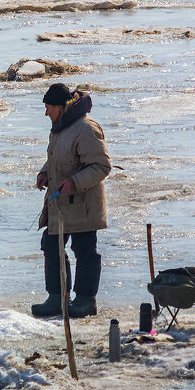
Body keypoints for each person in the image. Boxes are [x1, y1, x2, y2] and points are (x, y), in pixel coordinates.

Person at [32, 83, 111, 319]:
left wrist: (74, 182)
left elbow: (101, 166)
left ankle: (86, 301)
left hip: (83, 204)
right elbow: (58, 158)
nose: (46, 113)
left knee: (84, 250)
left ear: (59, 106)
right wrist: (45, 172)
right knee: (51, 245)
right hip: (60, 203)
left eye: (48, 108)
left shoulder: (86, 129)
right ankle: (57, 297)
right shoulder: (59, 127)